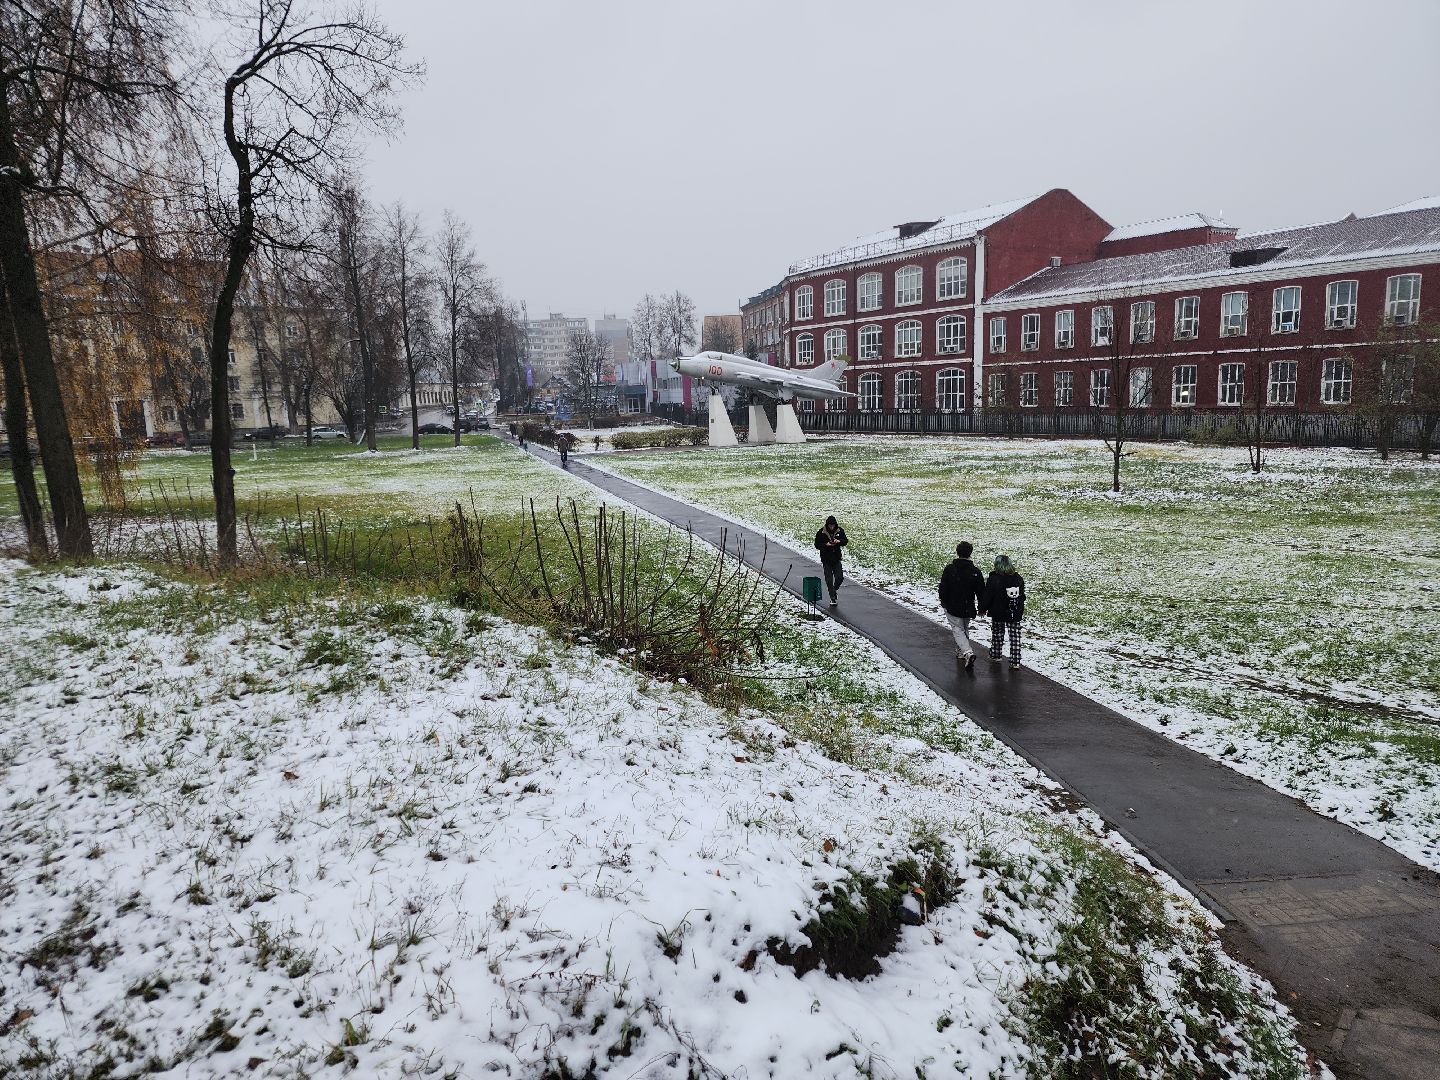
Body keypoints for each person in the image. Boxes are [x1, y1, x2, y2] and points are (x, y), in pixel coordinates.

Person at [938, 541, 986, 670]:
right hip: (967, 605)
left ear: (957, 552)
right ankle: (960, 652)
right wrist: (982, 607)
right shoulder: (975, 571)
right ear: (970, 553)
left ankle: (967, 652)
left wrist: (943, 601)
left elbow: (943, 587)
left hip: (952, 605)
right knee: (964, 627)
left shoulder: (950, 569)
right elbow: (981, 591)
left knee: (957, 629)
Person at [980, 555, 1026, 670]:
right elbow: (1022, 595)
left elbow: (988, 596)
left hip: (998, 611)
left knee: (997, 634)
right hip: (1013, 611)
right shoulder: (1017, 578)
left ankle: (996, 654)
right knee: (1015, 636)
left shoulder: (994, 579)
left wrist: (982, 608)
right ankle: (1015, 660)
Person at [813, 515, 848, 607]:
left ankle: (834, 589)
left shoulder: (840, 531)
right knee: (829, 580)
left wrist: (838, 541)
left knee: (839, 577)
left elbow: (845, 541)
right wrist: (826, 544)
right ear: (827, 525)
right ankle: (832, 598)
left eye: (833, 525)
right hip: (826, 559)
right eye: (830, 525)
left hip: (836, 558)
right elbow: (817, 544)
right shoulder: (821, 532)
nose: (831, 527)